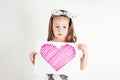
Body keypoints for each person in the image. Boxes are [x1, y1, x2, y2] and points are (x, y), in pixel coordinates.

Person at [29, 9, 88, 79]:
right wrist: (34, 60)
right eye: (57, 26)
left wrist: (85, 52)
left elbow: (81, 67)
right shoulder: (46, 48)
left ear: (69, 28)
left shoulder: (72, 49)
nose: (60, 30)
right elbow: (42, 66)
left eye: (64, 27)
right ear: (52, 27)